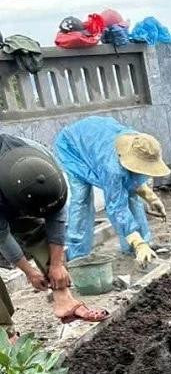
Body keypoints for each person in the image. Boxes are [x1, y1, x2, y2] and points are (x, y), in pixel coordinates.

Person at [0, 134, 109, 342]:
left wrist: (57, 264)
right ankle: (4, 335)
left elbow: (56, 215)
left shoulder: (42, 160)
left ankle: (64, 302)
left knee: (36, 230)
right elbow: (2, 236)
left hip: (11, 187)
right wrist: (29, 272)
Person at [54, 116, 170, 264]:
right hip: (73, 147)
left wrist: (151, 198)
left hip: (95, 140)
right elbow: (116, 207)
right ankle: (79, 256)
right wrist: (138, 242)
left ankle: (137, 247)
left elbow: (132, 181)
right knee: (81, 198)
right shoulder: (112, 169)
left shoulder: (141, 144)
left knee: (130, 195)